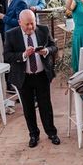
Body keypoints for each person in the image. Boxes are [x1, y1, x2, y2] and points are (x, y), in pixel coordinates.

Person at [4, 10, 59, 148]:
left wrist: (46, 51)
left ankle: (51, 132)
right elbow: (7, 56)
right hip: (24, 77)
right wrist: (23, 55)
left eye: (32, 23)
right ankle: (33, 135)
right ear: (19, 23)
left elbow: (54, 47)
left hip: (42, 75)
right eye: (27, 24)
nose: (30, 27)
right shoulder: (11, 34)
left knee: (45, 105)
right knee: (28, 108)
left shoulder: (43, 30)